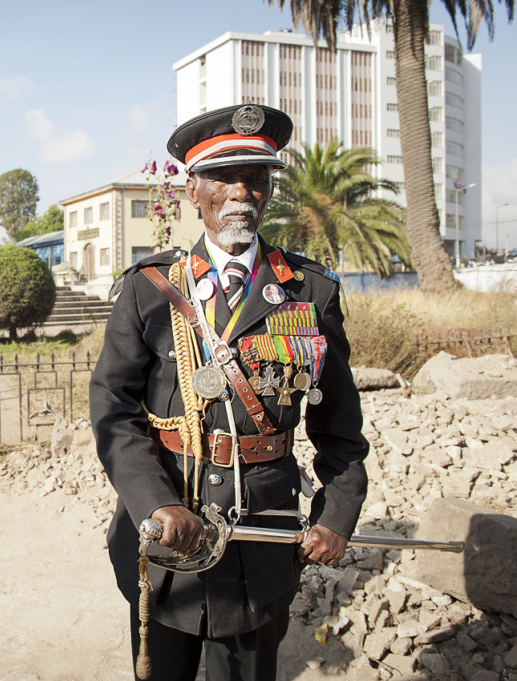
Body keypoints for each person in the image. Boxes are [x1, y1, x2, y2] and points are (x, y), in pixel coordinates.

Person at [89, 104, 368, 681]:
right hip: (168, 535)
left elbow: (340, 431)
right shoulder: (149, 290)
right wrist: (154, 502)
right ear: (193, 190)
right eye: (223, 177)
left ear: (269, 191)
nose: (241, 191)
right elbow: (113, 412)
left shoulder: (311, 291)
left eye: (256, 177)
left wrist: (336, 514)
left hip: (260, 538)